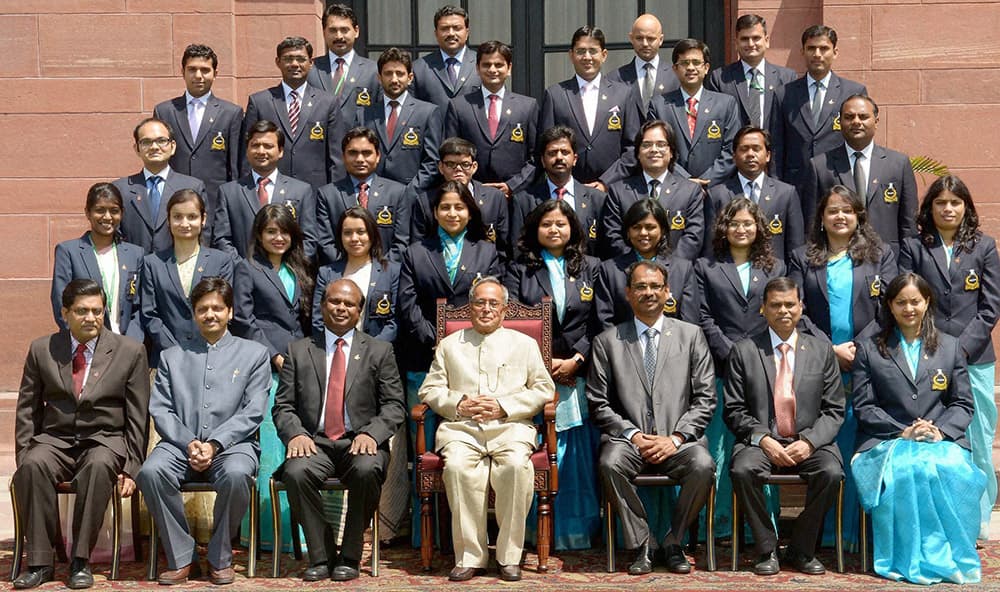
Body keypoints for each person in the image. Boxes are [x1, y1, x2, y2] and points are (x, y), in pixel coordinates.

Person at [13, 279, 150, 590]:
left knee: (99, 466)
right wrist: (24, 454)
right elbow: (26, 409)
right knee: (33, 466)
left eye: (98, 311)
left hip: (104, 439)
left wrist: (132, 465)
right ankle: (39, 563)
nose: (91, 318)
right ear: (65, 313)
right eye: (83, 311)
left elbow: (138, 415)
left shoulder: (130, 351)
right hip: (55, 440)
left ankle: (80, 560)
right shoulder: (42, 349)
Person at [419, 277, 555, 582]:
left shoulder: (525, 344)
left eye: (493, 303)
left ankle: (509, 557)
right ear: (470, 307)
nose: (486, 309)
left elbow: (545, 389)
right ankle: (471, 556)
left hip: (510, 428)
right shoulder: (450, 345)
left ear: (505, 309)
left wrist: (505, 406)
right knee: (456, 468)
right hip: (462, 430)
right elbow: (430, 389)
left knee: (516, 469)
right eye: (479, 302)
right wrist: (459, 404)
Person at [852, 272, 984, 584]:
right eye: (901, 302)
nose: (909, 308)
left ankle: (952, 556)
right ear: (890, 305)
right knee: (910, 472)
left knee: (949, 467)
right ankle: (906, 559)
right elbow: (863, 407)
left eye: (915, 301)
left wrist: (940, 431)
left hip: (939, 439)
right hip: (887, 440)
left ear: (927, 303)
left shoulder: (951, 347)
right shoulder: (870, 349)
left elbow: (963, 404)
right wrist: (902, 431)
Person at [137, 277, 270, 585]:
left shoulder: (254, 354)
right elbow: (161, 409)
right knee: (151, 472)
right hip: (179, 445)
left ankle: (219, 555)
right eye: (203, 309)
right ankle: (182, 555)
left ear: (231, 312)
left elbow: (253, 410)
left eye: (217, 308)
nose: (211, 314)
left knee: (238, 475)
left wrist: (216, 445)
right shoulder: (172, 356)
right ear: (193, 313)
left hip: (233, 446)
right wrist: (189, 443)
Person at [588, 260, 716, 575]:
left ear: (667, 292)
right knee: (609, 463)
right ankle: (644, 542)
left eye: (656, 286)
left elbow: (705, 398)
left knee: (704, 466)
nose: (649, 293)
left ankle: (673, 540)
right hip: (629, 442)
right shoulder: (607, 341)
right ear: (628, 293)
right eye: (641, 287)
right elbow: (598, 402)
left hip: (679, 441)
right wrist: (633, 435)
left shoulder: (691, 336)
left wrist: (676, 438)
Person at [273, 279, 406, 582]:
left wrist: (372, 433)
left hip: (359, 442)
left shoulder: (380, 351)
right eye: (334, 301)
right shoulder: (299, 350)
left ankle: (350, 555)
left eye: (349, 304)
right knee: (295, 472)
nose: (341, 308)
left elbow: (394, 406)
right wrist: (296, 434)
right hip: (314, 442)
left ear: (360, 311)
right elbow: (282, 406)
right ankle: (321, 556)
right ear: (322, 306)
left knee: (367, 469)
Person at [788, 184, 896, 550]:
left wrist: (858, 349)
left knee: (859, 441)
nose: (839, 216)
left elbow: (888, 311)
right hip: (819, 363)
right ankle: (826, 533)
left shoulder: (881, 256)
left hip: (867, 363)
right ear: (821, 217)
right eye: (832, 210)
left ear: (858, 218)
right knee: (828, 442)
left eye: (847, 211)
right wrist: (830, 349)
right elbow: (795, 309)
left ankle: (858, 533)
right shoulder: (803, 257)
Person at [899, 175, 1000, 541]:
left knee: (977, 436)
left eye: (955, 203)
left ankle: (977, 517)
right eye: (940, 202)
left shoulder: (984, 247)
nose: (948, 208)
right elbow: (907, 298)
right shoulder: (914, 247)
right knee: (934, 436)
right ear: (930, 208)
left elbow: (990, 308)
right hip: (926, 355)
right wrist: (938, 350)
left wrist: (958, 350)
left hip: (974, 359)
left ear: (966, 208)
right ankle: (936, 516)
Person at [724, 276, 845, 576]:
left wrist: (810, 442)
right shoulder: (744, 350)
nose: (784, 311)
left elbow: (834, 410)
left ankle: (801, 549)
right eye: (775, 305)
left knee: (831, 473)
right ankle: (767, 548)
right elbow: (734, 410)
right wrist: (764, 440)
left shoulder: (821, 350)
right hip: (763, 442)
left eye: (790, 304)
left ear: (801, 307)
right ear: (763, 309)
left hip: (809, 441)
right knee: (742, 470)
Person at [504, 200, 602, 550]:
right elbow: (513, 322)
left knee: (573, 456)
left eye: (561, 223)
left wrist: (577, 359)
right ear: (535, 229)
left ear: (573, 228)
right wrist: (545, 365)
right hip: (532, 376)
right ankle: (533, 533)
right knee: (537, 452)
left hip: (577, 374)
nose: (554, 230)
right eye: (547, 224)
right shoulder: (519, 269)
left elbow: (598, 324)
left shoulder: (591, 267)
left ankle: (574, 533)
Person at [695, 198, 786, 541]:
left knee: (763, 444)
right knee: (719, 446)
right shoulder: (706, 267)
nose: (742, 229)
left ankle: (760, 527)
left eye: (748, 223)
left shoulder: (775, 267)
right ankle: (717, 526)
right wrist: (732, 351)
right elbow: (702, 315)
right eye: (735, 223)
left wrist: (751, 354)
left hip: (765, 367)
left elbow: (781, 313)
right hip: (720, 367)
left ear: (758, 228)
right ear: (724, 229)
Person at [311, 207, 405, 542]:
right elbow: (316, 317)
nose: (355, 238)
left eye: (361, 232)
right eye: (348, 232)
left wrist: (367, 355)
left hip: (375, 369)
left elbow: (394, 319)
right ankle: (332, 536)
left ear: (373, 235)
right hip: (331, 362)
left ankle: (374, 531)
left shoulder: (388, 270)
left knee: (371, 455)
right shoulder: (327, 271)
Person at [231, 205, 314, 553]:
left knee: (301, 444)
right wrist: (275, 355)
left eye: (284, 231)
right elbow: (246, 321)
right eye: (270, 232)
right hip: (265, 368)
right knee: (271, 447)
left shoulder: (302, 268)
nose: (278, 238)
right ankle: (268, 533)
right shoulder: (246, 269)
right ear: (259, 236)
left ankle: (302, 533)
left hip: (301, 367)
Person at [799, 94, 917, 251]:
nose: (856, 122)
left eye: (863, 117)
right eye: (849, 117)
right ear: (839, 122)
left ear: (876, 122)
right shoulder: (820, 166)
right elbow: (811, 224)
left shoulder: (898, 164)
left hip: (887, 260)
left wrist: (905, 268)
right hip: (837, 259)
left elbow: (909, 224)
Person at [539, 26, 642, 189]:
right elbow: (546, 147)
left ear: (604, 55)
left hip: (613, 190)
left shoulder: (623, 94)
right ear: (571, 55)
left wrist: (605, 182)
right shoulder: (555, 95)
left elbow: (633, 148)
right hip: (568, 191)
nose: (587, 57)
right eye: (580, 51)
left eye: (593, 51)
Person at [141, 189, 234, 368]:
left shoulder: (221, 261)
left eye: (192, 216)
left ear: (203, 219)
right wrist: (176, 351)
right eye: (177, 217)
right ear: (168, 220)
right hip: (166, 358)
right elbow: (149, 314)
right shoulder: (152, 263)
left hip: (212, 356)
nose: (185, 223)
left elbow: (224, 308)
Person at [153, 44, 243, 213]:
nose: (198, 76)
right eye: (192, 69)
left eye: (205, 70)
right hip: (173, 203)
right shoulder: (164, 111)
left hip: (215, 204)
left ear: (215, 74)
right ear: (182, 72)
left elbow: (235, 167)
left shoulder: (231, 113)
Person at [772, 26, 867, 187]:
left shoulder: (853, 92)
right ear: (802, 51)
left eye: (824, 49)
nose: (817, 54)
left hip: (839, 181)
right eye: (811, 48)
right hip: (796, 184)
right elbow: (776, 146)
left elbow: (861, 141)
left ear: (835, 52)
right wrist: (776, 185)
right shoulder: (784, 94)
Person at [242, 37, 339, 190]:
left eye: (300, 59)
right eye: (288, 59)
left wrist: (333, 197)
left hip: (314, 192)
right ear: (277, 62)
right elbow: (246, 156)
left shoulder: (328, 103)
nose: (294, 64)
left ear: (311, 63)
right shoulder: (260, 102)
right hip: (268, 192)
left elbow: (336, 158)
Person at [51, 183, 144, 341]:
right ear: (87, 212)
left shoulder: (135, 254)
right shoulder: (69, 251)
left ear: (122, 213)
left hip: (124, 348)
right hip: (84, 344)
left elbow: (139, 307)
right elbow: (61, 304)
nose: (107, 217)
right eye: (100, 210)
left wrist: (130, 344)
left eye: (114, 211)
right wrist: (88, 341)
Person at [212, 119, 317, 260]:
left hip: (286, 275)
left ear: (280, 151)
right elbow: (222, 239)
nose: (261, 151)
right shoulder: (229, 192)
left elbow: (309, 240)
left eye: (268, 146)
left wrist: (286, 268)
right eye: (255, 145)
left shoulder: (301, 191)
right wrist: (244, 269)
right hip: (244, 275)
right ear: (247, 150)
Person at [444, 40, 538, 196]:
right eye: (486, 65)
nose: (492, 70)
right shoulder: (459, 106)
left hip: (515, 195)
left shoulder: (527, 107)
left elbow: (535, 157)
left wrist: (512, 186)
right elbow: (451, 153)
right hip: (471, 193)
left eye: (499, 65)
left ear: (509, 69)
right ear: (477, 69)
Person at [603, 120, 705, 259]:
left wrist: (668, 268)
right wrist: (640, 267)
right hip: (631, 273)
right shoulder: (618, 191)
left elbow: (693, 238)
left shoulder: (690, 191)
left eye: (661, 144)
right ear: (638, 153)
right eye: (646, 145)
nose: (654, 150)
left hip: (675, 274)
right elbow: (613, 236)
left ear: (671, 152)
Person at [648, 38, 740, 186]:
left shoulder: (726, 104)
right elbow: (657, 149)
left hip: (716, 189)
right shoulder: (659, 105)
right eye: (684, 63)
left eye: (696, 63)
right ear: (675, 69)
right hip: (674, 188)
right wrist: (687, 181)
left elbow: (731, 150)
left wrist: (705, 181)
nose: (691, 68)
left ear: (706, 68)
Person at [704, 126, 804, 262]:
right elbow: (711, 249)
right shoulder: (717, 195)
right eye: (744, 149)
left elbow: (796, 248)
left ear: (768, 155)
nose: (750, 154)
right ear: (734, 156)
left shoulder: (786, 194)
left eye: (756, 149)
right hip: (730, 277)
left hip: (774, 276)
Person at [315, 126, 411, 265]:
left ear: (378, 156)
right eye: (353, 153)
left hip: (385, 275)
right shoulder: (327, 194)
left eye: (367, 153)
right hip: (342, 275)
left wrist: (379, 272)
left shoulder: (397, 193)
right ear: (343, 156)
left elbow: (401, 242)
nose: (360, 159)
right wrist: (348, 269)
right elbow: (325, 243)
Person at [595, 198, 697, 328]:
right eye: (636, 227)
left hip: (673, 346)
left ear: (662, 230)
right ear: (627, 231)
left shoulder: (683, 270)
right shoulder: (609, 270)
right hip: (623, 345)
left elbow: (689, 324)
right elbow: (604, 322)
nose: (643, 233)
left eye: (650, 227)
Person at [508, 125, 607, 259]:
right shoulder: (523, 201)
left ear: (575, 159)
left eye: (565, 152)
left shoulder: (597, 200)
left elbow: (605, 250)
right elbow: (518, 249)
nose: (559, 157)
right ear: (543, 161)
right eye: (552, 153)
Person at [353, 47, 442, 191]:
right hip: (373, 196)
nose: (394, 79)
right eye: (388, 74)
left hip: (412, 196)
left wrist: (408, 192)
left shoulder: (428, 113)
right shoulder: (364, 115)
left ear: (410, 77)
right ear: (379, 78)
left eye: (400, 74)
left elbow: (432, 162)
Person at [114, 118, 207, 254]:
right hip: (134, 269)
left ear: (173, 146)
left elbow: (204, 236)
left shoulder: (193, 186)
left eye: (161, 141)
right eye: (146, 142)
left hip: (179, 268)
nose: (154, 147)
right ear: (137, 149)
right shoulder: (121, 189)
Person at [410, 137, 508, 252]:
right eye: (451, 164)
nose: (458, 169)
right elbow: (417, 249)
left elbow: (503, 247)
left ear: (474, 167)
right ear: (441, 167)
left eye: (465, 164)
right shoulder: (425, 201)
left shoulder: (495, 198)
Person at [705, 14, 796, 132]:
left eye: (756, 38)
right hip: (735, 149)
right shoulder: (720, 78)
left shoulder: (787, 78)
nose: (750, 44)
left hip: (774, 148)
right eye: (744, 39)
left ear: (767, 41)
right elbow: (716, 120)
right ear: (736, 43)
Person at [307, 4, 379, 106]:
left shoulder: (373, 71)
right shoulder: (311, 69)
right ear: (324, 33)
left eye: (344, 30)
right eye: (332, 30)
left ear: (356, 31)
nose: (339, 36)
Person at [607, 14, 679, 116]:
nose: (645, 43)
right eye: (639, 38)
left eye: (650, 38)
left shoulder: (675, 77)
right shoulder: (615, 78)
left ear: (661, 40)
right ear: (631, 38)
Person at [411, 5, 481, 107]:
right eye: (445, 28)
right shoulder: (418, 68)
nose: (451, 33)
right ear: (436, 34)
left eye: (457, 28)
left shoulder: (482, 64)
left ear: (467, 33)